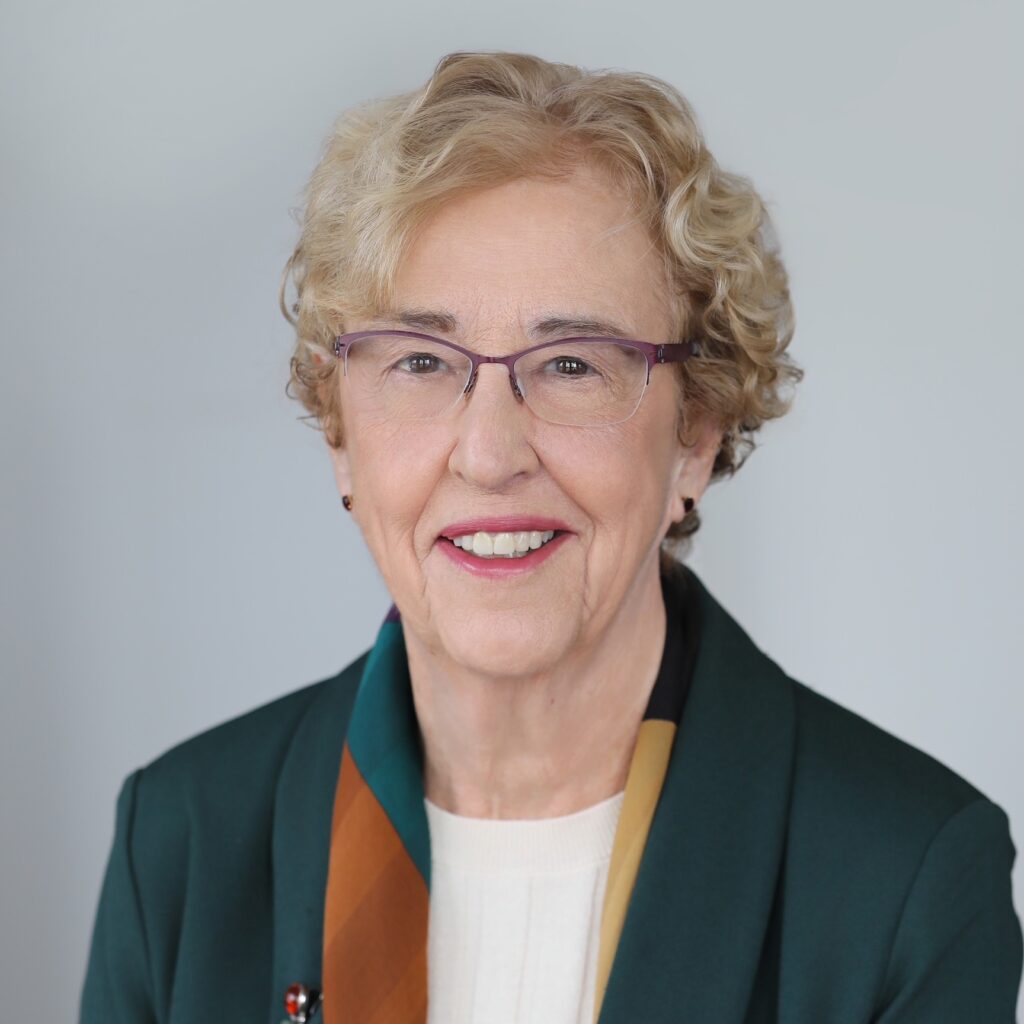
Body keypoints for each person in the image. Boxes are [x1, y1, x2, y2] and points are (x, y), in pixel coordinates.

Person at [80, 50, 1022, 1024]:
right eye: (419, 361)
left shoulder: (906, 876)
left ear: (695, 434)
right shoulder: (183, 844)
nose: (488, 452)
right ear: (340, 434)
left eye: (573, 362)